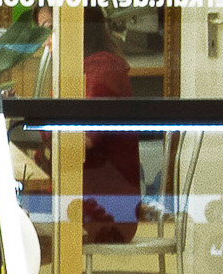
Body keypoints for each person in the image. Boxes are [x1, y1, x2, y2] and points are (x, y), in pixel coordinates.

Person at [81, 6, 140, 245]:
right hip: (99, 200)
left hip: (109, 212)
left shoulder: (101, 69)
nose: (46, 42)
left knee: (23, 216)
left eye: (49, 30)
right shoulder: (89, 67)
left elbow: (87, 139)